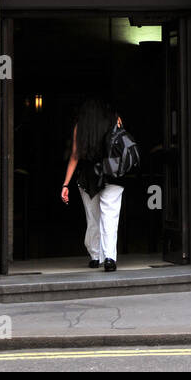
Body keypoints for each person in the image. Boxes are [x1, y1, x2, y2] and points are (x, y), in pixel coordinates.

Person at [61, 98, 124, 272]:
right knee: (110, 218)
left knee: (93, 218)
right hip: (112, 174)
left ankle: (96, 256)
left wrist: (65, 184)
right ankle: (110, 257)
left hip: (89, 177)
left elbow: (75, 156)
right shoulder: (114, 120)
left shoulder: (79, 127)